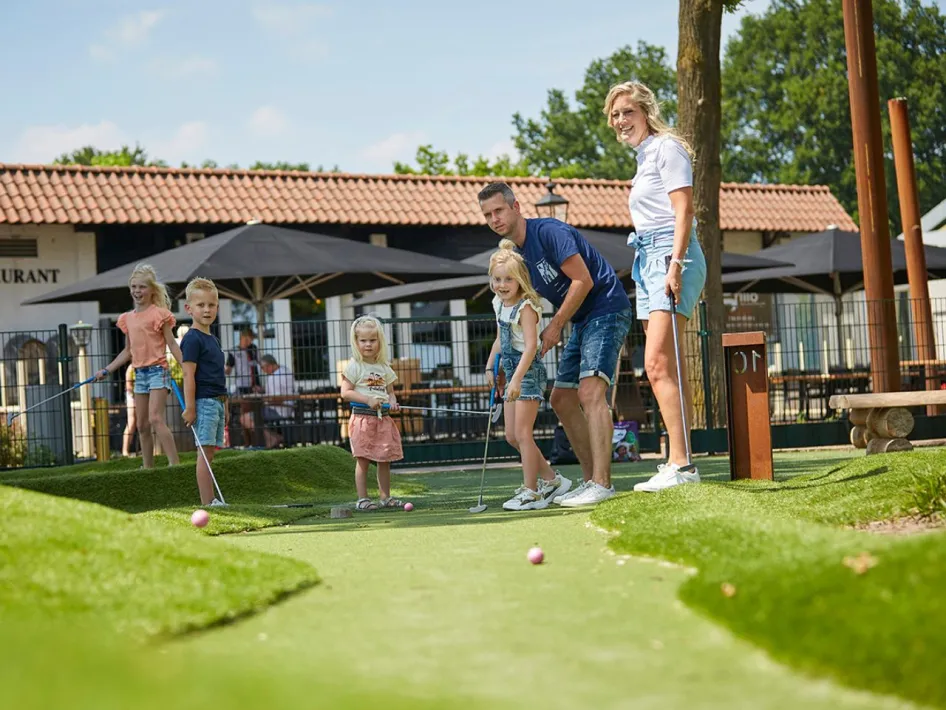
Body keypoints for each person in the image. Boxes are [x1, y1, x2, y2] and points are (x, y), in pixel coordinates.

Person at [478, 182, 632, 508]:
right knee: (562, 399)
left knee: (590, 393)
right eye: (488, 214)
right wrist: (502, 359)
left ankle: (603, 484)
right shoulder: (517, 256)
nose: (494, 219)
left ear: (516, 207)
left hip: (606, 309)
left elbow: (583, 280)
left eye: (499, 210)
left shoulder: (549, 232)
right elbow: (517, 316)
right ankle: (590, 480)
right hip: (580, 320)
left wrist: (556, 325)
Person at [604, 80, 707, 492]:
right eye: (614, 115)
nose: (620, 120)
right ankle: (677, 461)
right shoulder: (645, 155)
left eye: (627, 111)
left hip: (669, 253)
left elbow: (684, 209)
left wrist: (676, 266)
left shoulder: (667, 148)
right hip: (647, 257)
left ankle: (682, 465)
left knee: (658, 364)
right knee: (665, 367)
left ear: (646, 111)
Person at [484, 244, 571, 510]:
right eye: (497, 279)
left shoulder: (527, 308)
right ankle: (552, 480)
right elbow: (501, 339)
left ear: (520, 278)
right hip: (511, 371)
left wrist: (517, 379)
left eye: (508, 279)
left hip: (527, 372)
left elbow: (531, 346)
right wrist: (490, 366)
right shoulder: (499, 304)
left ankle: (531, 492)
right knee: (511, 436)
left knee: (523, 434)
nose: (502, 284)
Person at [96, 263, 183, 468]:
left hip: (158, 372)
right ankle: (147, 466)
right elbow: (128, 351)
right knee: (142, 425)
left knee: (155, 418)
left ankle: (175, 464)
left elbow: (171, 343)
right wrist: (107, 369)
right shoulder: (127, 319)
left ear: (152, 289)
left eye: (142, 287)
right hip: (139, 374)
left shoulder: (159, 314)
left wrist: (185, 366)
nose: (137, 291)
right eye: (134, 287)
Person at [340, 315, 404, 511]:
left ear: (380, 341)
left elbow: (390, 393)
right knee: (363, 459)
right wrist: (368, 399)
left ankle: (385, 497)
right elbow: (345, 392)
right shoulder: (354, 366)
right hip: (362, 418)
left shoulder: (384, 367)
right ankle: (363, 498)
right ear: (356, 342)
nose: (368, 345)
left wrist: (392, 403)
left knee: (384, 459)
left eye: (372, 340)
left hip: (382, 419)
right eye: (363, 340)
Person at [179, 277, 228, 506]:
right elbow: (188, 374)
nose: (207, 310)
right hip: (204, 402)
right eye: (201, 305)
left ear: (217, 307)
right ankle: (207, 502)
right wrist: (190, 407)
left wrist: (225, 404)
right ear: (189, 308)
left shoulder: (214, 339)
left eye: (211, 305)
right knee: (205, 454)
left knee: (210, 453)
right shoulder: (191, 339)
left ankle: (211, 500)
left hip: (216, 401)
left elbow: (218, 375)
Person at [239, 353, 296, 449]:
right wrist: (262, 390)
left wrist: (263, 400)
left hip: (278, 410)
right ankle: (270, 438)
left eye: (263, 367)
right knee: (250, 412)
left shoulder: (274, 377)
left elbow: (277, 400)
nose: (263, 370)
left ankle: (271, 438)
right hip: (288, 408)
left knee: (244, 418)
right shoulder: (285, 370)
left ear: (269, 365)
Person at [225, 326, 261, 446]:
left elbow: (257, 366)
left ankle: (256, 441)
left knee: (254, 413)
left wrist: (257, 384)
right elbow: (228, 369)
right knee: (244, 413)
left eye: (251, 340)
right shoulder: (234, 351)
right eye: (248, 339)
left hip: (254, 386)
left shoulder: (253, 349)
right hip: (241, 387)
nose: (250, 342)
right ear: (242, 338)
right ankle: (247, 442)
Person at [121, 364, 137, 458]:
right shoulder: (131, 368)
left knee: (142, 424)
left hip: (138, 396)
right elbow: (128, 386)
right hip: (132, 397)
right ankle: (125, 451)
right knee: (131, 424)